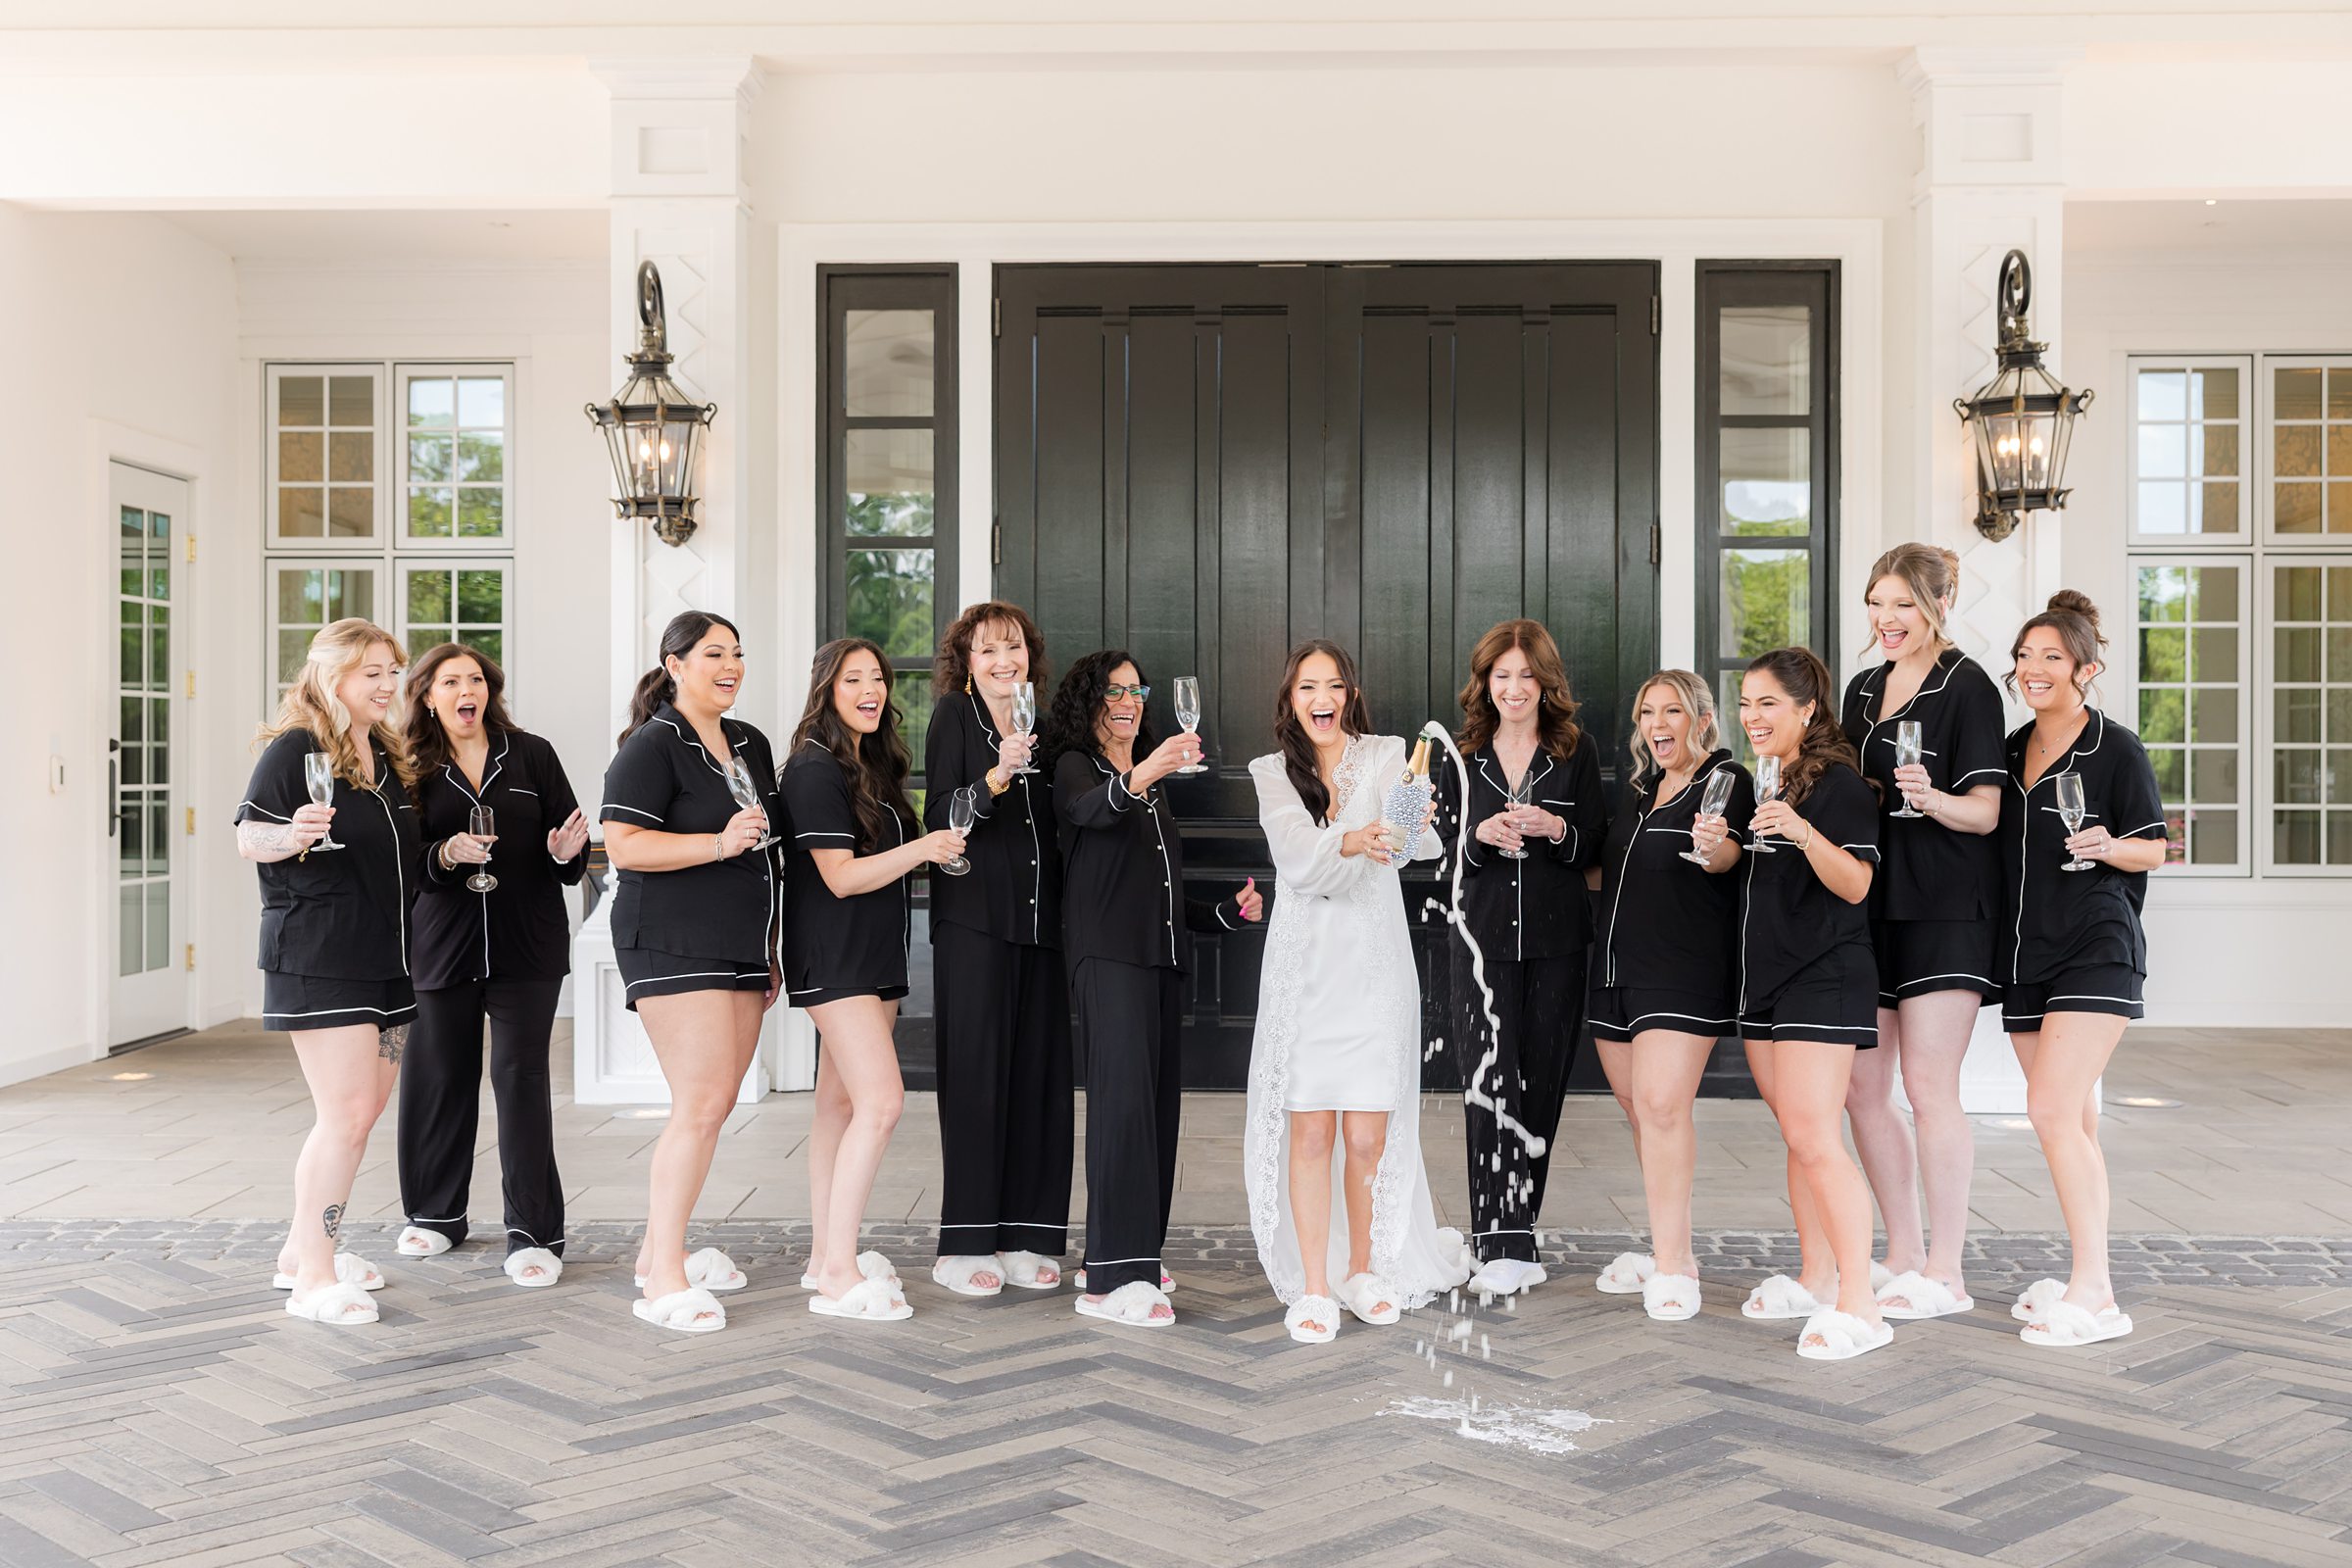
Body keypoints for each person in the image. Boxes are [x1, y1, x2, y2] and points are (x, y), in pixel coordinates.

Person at [1245, 640, 1471, 1345]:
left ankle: (1365, 1270)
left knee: (1368, 1133)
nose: (1322, 698)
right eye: (1308, 686)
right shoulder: (1270, 771)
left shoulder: (1387, 753)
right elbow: (1298, 861)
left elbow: (1405, 847)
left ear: (1349, 695)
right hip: (1307, 968)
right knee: (1310, 1129)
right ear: (1290, 698)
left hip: (1375, 965)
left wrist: (1412, 820)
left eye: (1334, 686)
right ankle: (1315, 1284)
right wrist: (1358, 839)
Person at [1048, 650, 1259, 1330]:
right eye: (1114, 691)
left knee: (1156, 1117)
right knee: (1122, 1115)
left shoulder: (1150, 787)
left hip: (1157, 962)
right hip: (1108, 962)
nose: (1128, 701)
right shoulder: (1077, 767)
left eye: (1136, 691)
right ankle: (1111, 1280)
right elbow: (1088, 812)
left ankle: (1130, 1253)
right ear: (1089, 701)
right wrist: (1144, 773)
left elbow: (1161, 895)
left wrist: (1224, 914)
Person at [599, 611, 784, 1334]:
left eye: (737, 653)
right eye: (714, 654)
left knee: (714, 1106)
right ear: (674, 664)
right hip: (671, 941)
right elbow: (625, 847)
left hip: (741, 944)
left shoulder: (748, 742)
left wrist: (768, 947)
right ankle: (664, 1280)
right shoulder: (653, 745)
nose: (731, 665)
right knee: (701, 1105)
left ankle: (657, 1251)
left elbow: (767, 849)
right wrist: (715, 842)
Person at [1838, 544, 2008, 1324]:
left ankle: (1948, 1270)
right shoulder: (1863, 687)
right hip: (1870, 908)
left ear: (1938, 604)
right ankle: (1903, 1251)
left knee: (1930, 1088)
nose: (1886, 619)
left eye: (1902, 604)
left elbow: (1986, 812)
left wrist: (1930, 799)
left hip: (1945, 910)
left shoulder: (1968, 687)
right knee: (1862, 1089)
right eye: (1877, 602)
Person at [1704, 647, 1889, 1361]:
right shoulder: (1762, 781)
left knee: (1817, 1136)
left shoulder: (1839, 784)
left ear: (1807, 708)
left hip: (1824, 975)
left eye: (1767, 704)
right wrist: (1719, 844)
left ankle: (1862, 1305)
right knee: (1797, 1136)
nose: (1752, 717)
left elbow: (1855, 885)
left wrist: (1804, 830)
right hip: (1768, 982)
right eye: (1745, 703)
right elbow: (1745, 872)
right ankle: (1817, 1277)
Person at [235, 617, 420, 1328]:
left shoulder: (385, 754)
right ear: (331, 674)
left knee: (360, 1116)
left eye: (391, 670)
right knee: (343, 1117)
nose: (386, 683)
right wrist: (292, 835)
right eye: (371, 670)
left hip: (387, 962)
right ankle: (314, 1275)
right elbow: (248, 836)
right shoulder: (294, 748)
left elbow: (399, 857)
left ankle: (300, 1249)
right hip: (321, 957)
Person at [1998, 591, 2168, 1349]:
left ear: (2085, 669)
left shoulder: (2116, 748)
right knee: (2075, 1121)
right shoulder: (2008, 751)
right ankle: (2088, 1274)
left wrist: (2106, 846)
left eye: (2051, 658)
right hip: (2023, 955)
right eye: (2026, 656)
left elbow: (2154, 848)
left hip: (2096, 944)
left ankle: (2094, 1290)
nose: (2033, 669)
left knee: (2050, 1110)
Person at [781, 637, 968, 1324]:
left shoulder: (874, 765)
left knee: (837, 1107)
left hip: (877, 956)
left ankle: (823, 1254)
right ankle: (837, 1272)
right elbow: (838, 876)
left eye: (879, 678)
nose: (871, 689)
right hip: (835, 959)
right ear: (826, 688)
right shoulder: (812, 768)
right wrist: (921, 848)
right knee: (883, 1104)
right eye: (853, 678)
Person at [395, 642, 589, 1288]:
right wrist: (444, 855)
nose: (465, 690)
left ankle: (533, 1231)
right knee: (438, 1077)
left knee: (520, 1080)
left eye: (474, 679)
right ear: (427, 695)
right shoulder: (407, 765)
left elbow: (570, 850)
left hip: (525, 943)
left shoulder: (531, 754)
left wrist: (566, 852)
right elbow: (400, 859)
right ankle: (434, 1214)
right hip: (440, 941)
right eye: (450, 681)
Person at [1430, 619, 1606, 1298]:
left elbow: (1593, 841)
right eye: (1501, 675)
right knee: (1488, 1085)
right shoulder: (1459, 752)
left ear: (1545, 681)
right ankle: (1496, 1238)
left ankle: (1517, 1233)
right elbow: (1436, 852)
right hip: (1479, 946)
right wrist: (1478, 836)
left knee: (1541, 1085)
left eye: (1526, 675)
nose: (1514, 687)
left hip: (1560, 945)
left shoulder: (1575, 750)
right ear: (1485, 683)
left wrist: (1555, 828)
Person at [1585, 670, 1752, 1323]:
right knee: (1641, 1111)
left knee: (1660, 1105)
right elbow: (1610, 868)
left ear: (1703, 720)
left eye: (1673, 711)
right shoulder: (1639, 791)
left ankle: (1677, 1265)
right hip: (1615, 970)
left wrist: (1715, 850)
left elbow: (1725, 854)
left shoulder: (1725, 781)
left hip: (1682, 971)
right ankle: (1666, 1248)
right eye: (1647, 712)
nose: (1658, 724)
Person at [923, 602, 1071, 1298]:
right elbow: (941, 818)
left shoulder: (1046, 723)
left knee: (1037, 1082)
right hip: (974, 927)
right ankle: (966, 1242)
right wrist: (996, 775)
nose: (1002, 660)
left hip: (1043, 929)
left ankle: (1026, 1234)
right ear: (966, 660)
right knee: (978, 1081)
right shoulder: (955, 717)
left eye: (1012, 646)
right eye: (987, 650)